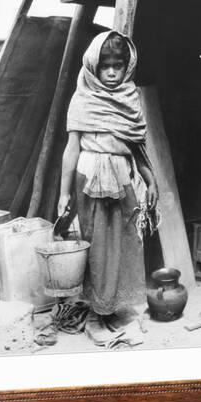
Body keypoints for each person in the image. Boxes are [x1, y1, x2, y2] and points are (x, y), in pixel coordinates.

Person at [57, 30, 159, 345]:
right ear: (93, 66)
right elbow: (71, 149)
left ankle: (114, 309)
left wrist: (150, 179)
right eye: (106, 66)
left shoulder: (130, 98)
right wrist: (63, 193)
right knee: (98, 247)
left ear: (127, 66)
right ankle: (96, 314)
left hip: (123, 179)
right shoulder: (83, 97)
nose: (112, 71)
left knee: (128, 243)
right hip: (90, 181)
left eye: (118, 64)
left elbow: (136, 147)